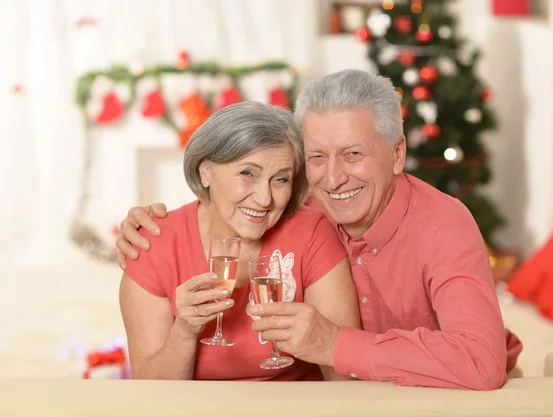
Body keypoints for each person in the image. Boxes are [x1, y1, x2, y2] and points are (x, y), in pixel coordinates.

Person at [117, 69, 523, 390]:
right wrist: (146, 227)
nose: (333, 178)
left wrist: (334, 344)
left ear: (397, 153)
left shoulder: (443, 226)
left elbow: (480, 363)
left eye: (353, 154)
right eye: (316, 157)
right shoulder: (301, 205)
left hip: (427, 395)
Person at [118, 101, 360, 381]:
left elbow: (344, 379)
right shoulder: (153, 244)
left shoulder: (311, 234)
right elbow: (151, 394)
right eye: (248, 173)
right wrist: (184, 331)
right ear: (205, 171)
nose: (264, 198)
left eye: (280, 179)